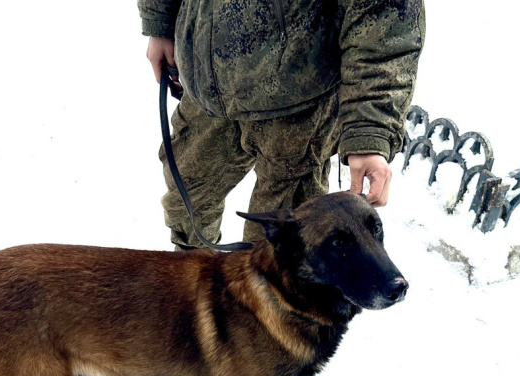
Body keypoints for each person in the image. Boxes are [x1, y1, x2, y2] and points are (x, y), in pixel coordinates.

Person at [139, 0, 425, 249]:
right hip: (205, 90)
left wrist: (369, 132)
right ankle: (195, 289)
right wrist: (159, 23)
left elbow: (386, 27)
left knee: (278, 244)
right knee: (185, 204)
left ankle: (264, 306)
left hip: (300, 109)